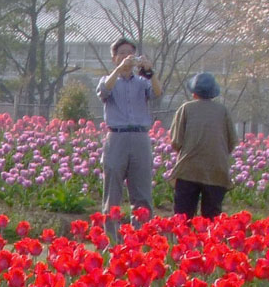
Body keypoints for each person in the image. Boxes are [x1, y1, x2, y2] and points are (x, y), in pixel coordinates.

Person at [95, 39, 156, 235]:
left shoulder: (142, 82)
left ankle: (140, 238)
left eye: (130, 53)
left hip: (140, 137)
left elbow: (157, 92)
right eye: (121, 53)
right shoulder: (108, 79)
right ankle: (112, 239)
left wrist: (150, 71)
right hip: (117, 137)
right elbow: (104, 91)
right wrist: (120, 69)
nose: (126, 57)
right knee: (112, 192)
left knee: (142, 194)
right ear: (114, 58)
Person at [167, 71, 238, 219]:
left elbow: (176, 142)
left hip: (188, 169)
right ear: (214, 94)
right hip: (216, 170)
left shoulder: (186, 109)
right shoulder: (223, 111)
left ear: (193, 93)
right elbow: (232, 142)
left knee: (183, 217)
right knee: (212, 219)